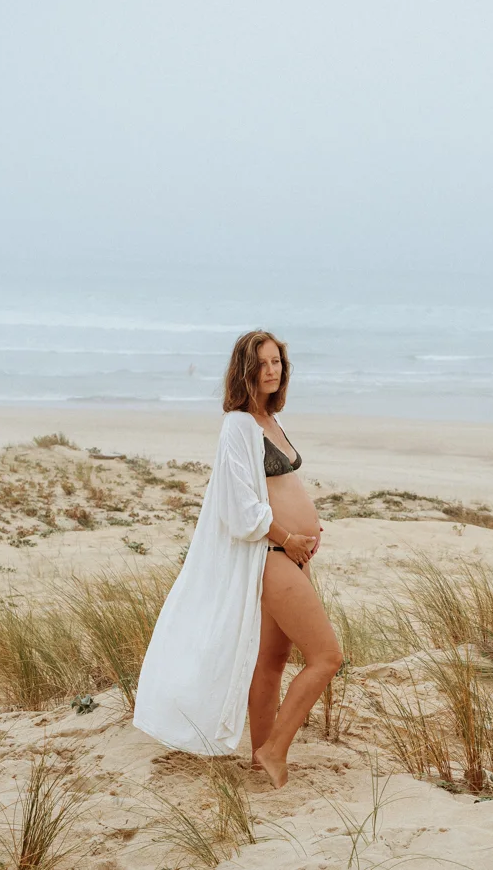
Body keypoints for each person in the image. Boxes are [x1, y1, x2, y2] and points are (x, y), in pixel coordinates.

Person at [132, 330, 341, 789]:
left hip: (290, 554)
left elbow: (279, 489)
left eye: (277, 362)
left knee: (270, 660)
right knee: (327, 656)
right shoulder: (238, 425)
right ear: (244, 370)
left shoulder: (271, 420)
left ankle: (259, 760)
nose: (272, 370)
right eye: (263, 363)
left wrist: (308, 529)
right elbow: (239, 506)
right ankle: (274, 749)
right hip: (271, 556)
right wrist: (288, 537)